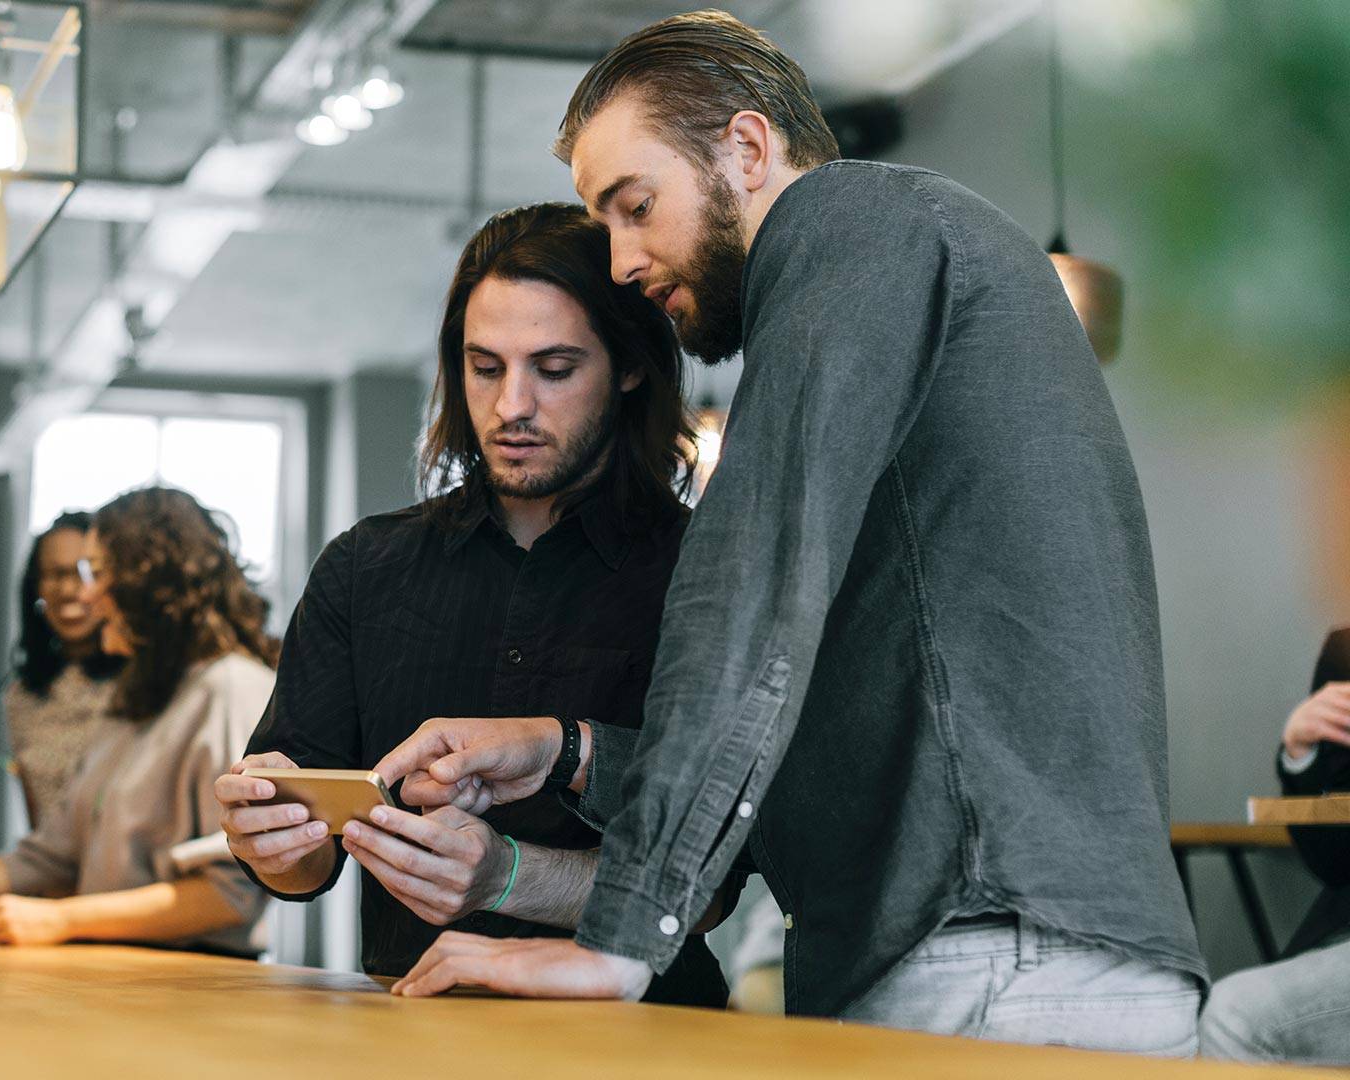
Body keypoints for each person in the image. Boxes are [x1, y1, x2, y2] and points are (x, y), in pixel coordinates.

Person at [374, 9, 1205, 1054]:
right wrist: (567, 752)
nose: (623, 262)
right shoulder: (919, 267)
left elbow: (748, 583)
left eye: (636, 207)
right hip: (1036, 958)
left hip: (992, 961)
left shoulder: (849, 222)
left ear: (750, 148)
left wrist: (618, 940)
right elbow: (802, 742)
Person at [213, 203, 730, 1007]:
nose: (510, 406)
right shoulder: (364, 567)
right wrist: (276, 841)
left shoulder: (708, 570)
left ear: (629, 367)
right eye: (484, 367)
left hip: (644, 1046)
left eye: (554, 370)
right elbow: (306, 857)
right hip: (409, 1032)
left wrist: (507, 877)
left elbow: (713, 887)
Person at [0, 488, 275, 957]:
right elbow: (51, 854)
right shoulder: (136, 694)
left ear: (149, 584)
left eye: (95, 574)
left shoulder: (232, 689)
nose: (86, 595)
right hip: (114, 971)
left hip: (195, 981)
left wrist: (61, 918)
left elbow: (230, 894)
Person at [1199, 628, 1350, 1064]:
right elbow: (1334, 862)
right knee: (1230, 1015)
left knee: (1234, 1017)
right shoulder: (1346, 653)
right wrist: (1300, 752)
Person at [6, 511, 125, 826]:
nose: (70, 590)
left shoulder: (139, 684)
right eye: (55, 574)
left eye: (84, 573)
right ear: (36, 589)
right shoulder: (23, 696)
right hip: (50, 869)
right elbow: (36, 824)